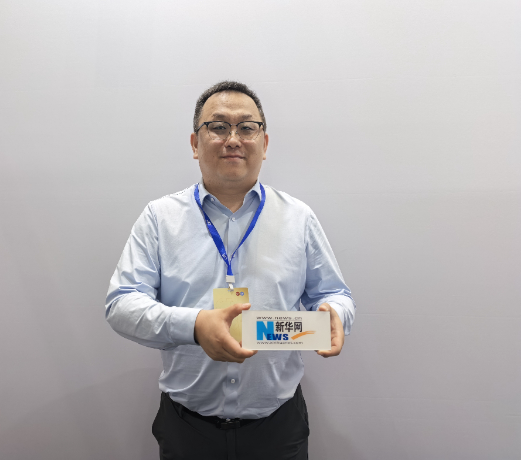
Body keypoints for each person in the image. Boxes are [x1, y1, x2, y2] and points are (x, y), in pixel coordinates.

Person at [105, 81, 355, 460]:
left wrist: (335, 315)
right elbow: (121, 305)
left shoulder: (298, 218)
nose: (233, 139)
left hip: (278, 427)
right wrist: (194, 326)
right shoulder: (160, 218)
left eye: (247, 127)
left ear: (264, 144)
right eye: (218, 127)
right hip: (188, 428)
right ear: (195, 144)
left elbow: (335, 294)